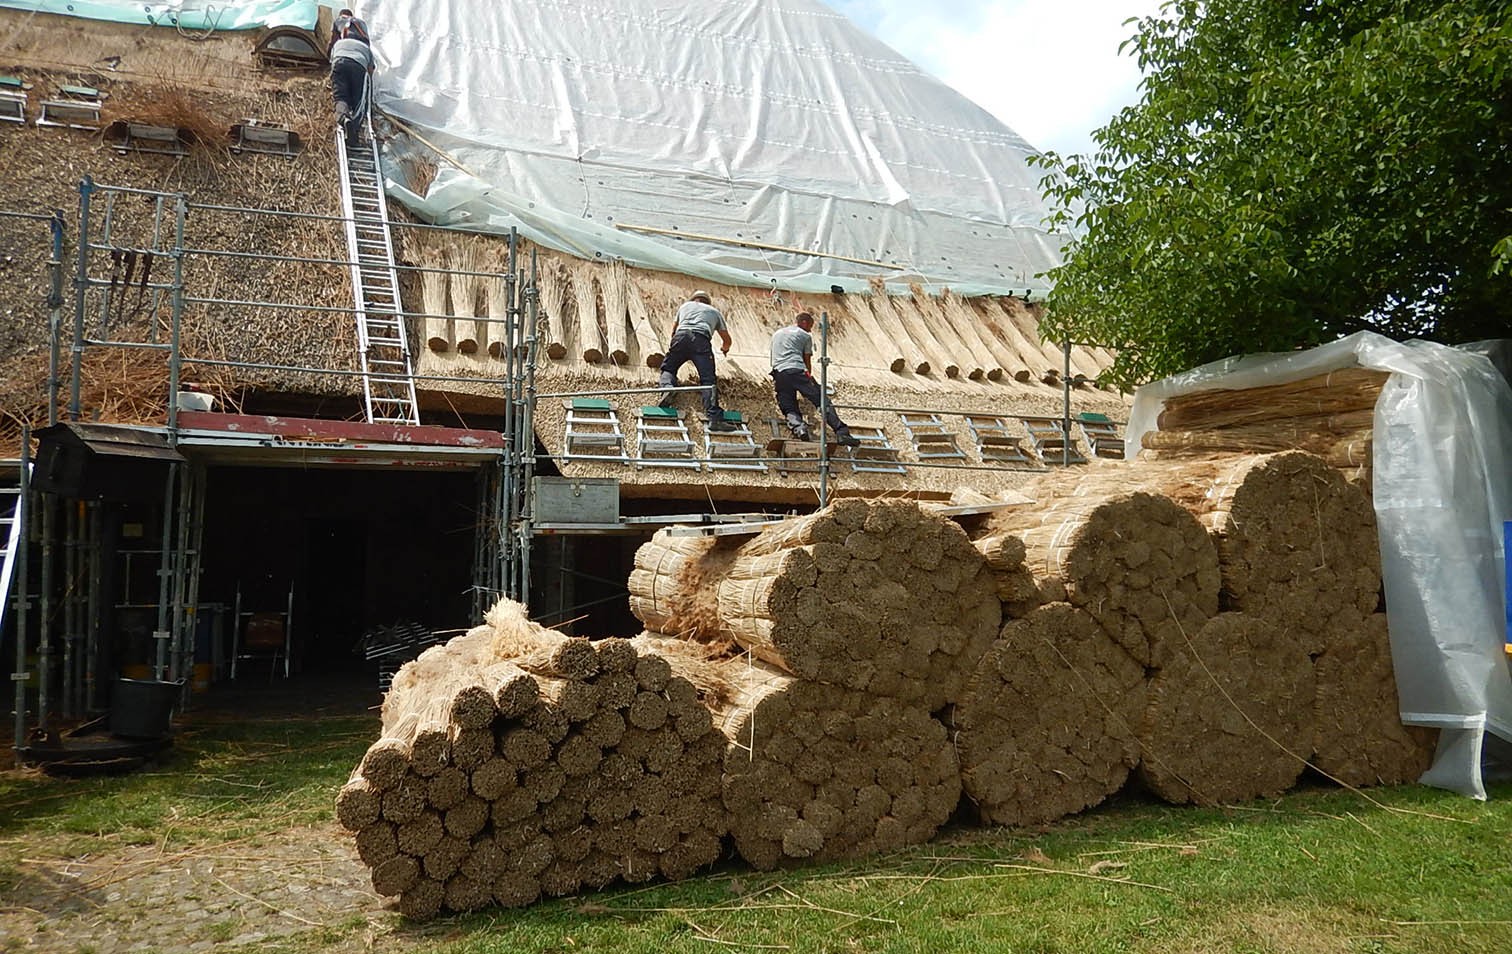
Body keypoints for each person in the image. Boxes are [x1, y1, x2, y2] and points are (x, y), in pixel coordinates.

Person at [770, 311, 861, 446]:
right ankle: (842, 433)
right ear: (804, 323)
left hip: (779, 373)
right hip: (797, 370)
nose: (810, 329)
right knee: (821, 400)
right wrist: (809, 379)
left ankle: (800, 429)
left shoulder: (777, 333)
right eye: (810, 326)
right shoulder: (805, 335)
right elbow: (807, 360)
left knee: (788, 405)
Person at [659, 290, 738, 431]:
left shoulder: (684, 306)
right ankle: (714, 419)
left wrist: (678, 348)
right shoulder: (714, 312)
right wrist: (725, 349)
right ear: (707, 301)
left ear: (694, 299)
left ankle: (667, 388)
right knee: (708, 381)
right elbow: (727, 340)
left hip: (681, 337)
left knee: (669, 368)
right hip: (701, 340)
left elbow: (673, 331)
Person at [328, 8, 373, 148]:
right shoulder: (362, 26)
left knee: (341, 97)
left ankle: (344, 117)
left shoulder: (339, 22)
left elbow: (332, 42)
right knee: (358, 101)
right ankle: (354, 129)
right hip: (359, 59)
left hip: (340, 54)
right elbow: (370, 70)